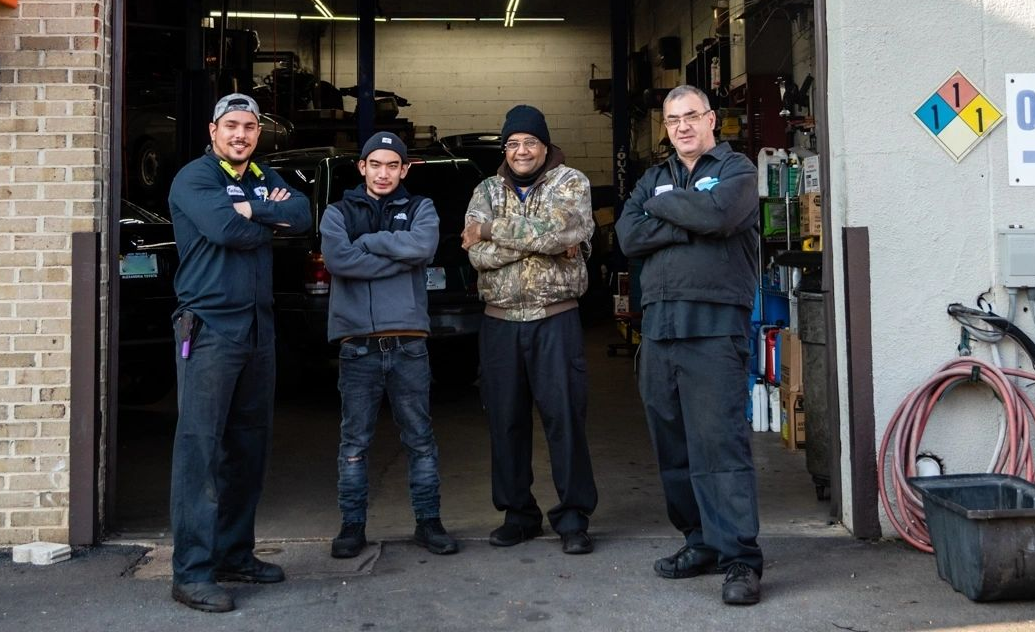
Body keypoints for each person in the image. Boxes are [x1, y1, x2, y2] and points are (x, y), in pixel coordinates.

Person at [615, 85, 764, 606]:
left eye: (692, 116)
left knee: (719, 445)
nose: (682, 126)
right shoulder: (651, 179)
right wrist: (686, 220)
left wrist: (667, 212)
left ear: (712, 120)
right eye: (673, 119)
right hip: (659, 330)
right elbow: (628, 238)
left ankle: (740, 559)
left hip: (714, 328)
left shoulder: (737, 170)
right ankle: (698, 541)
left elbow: (720, 217)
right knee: (673, 445)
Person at [167, 93, 311, 613]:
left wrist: (257, 208)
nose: (241, 135)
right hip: (209, 328)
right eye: (231, 126)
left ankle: (234, 554)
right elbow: (225, 229)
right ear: (213, 130)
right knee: (200, 450)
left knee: (248, 448)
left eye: (249, 127)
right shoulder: (195, 179)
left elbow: (302, 215)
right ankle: (192, 572)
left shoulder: (261, 175)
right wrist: (263, 219)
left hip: (257, 328)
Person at [461, 104, 599, 554]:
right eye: (513, 143)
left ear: (545, 146)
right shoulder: (486, 188)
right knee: (506, 421)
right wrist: (538, 244)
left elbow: (564, 233)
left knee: (564, 418)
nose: (521, 151)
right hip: (500, 322)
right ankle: (518, 514)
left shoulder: (571, 182)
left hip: (555, 318)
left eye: (530, 142)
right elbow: (475, 255)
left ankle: (574, 517)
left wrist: (492, 232)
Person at [319, 130, 459, 559]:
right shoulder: (337, 213)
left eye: (392, 165)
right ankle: (352, 527)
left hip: (409, 343)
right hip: (357, 345)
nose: (383, 173)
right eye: (374, 165)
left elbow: (423, 246)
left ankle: (429, 523)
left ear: (404, 169)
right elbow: (339, 260)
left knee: (419, 438)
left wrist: (370, 244)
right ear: (361, 167)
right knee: (354, 443)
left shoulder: (422, 208)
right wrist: (396, 260)